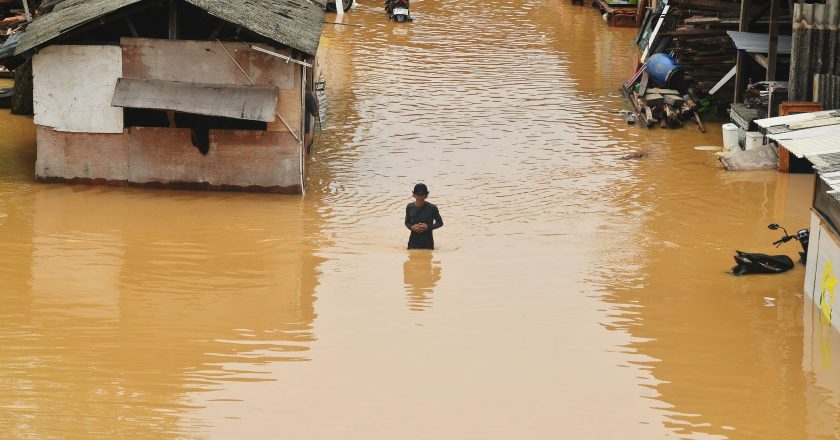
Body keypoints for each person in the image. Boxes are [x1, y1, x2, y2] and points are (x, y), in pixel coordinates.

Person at [405, 183, 443, 249]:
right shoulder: (409, 206)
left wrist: (428, 227)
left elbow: (440, 223)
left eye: (422, 195)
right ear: (414, 195)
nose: (420, 197)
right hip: (412, 244)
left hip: (428, 244)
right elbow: (406, 222)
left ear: (426, 196)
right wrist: (411, 227)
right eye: (418, 194)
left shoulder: (432, 208)